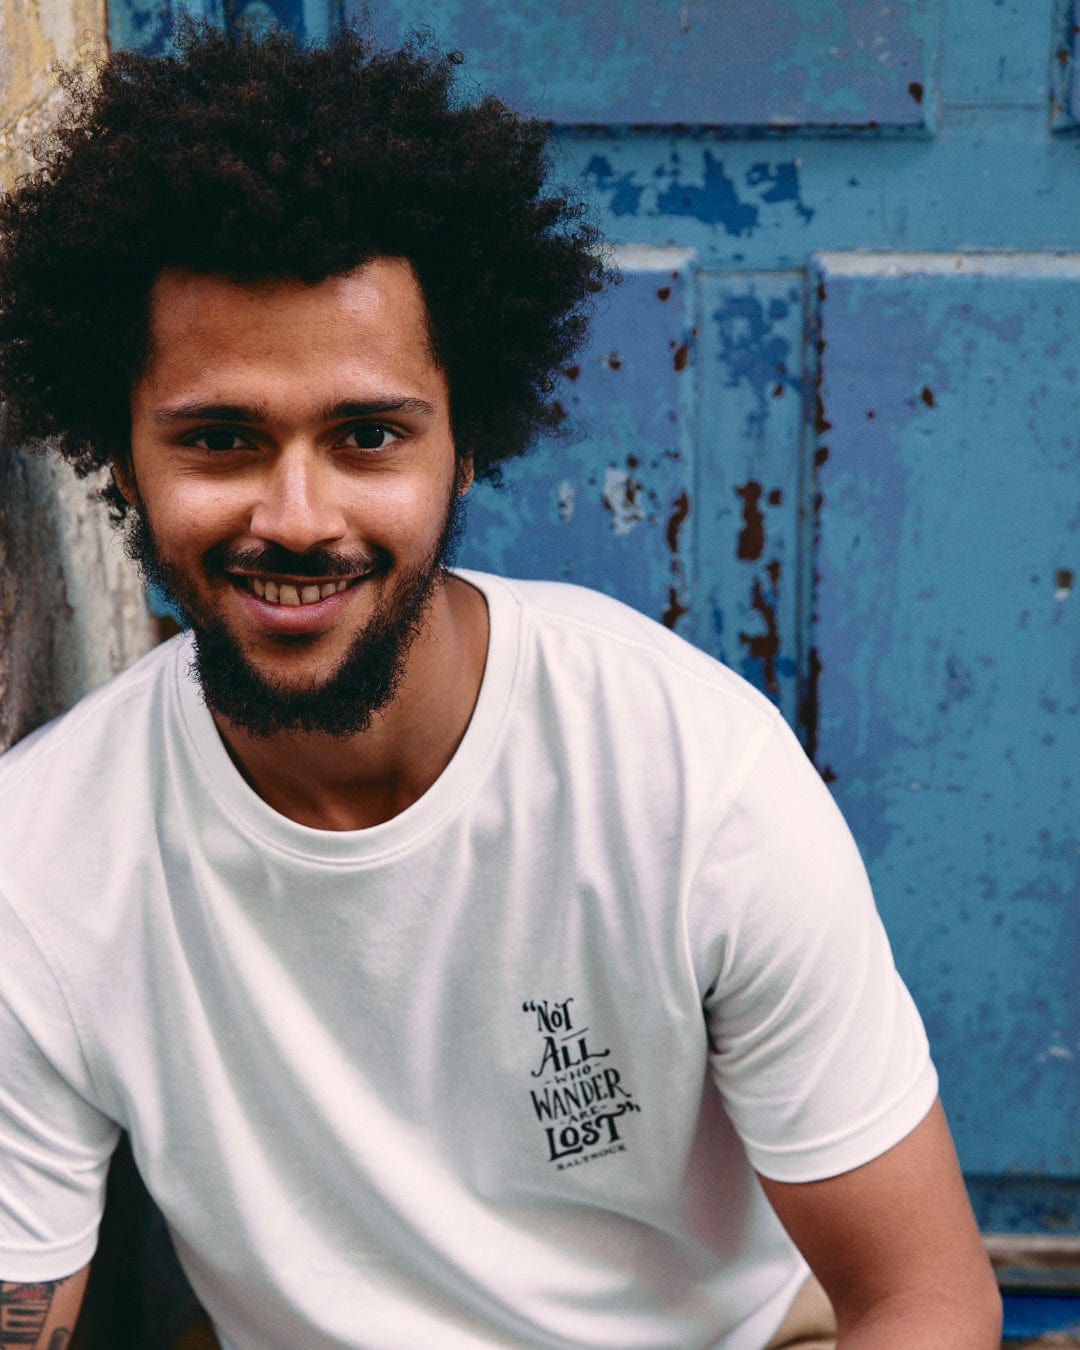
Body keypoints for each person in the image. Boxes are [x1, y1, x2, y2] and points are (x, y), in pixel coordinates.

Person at [0, 23, 1001, 1350]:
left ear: (467, 444)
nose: (296, 516)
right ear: (119, 455)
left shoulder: (692, 779)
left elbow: (922, 1295)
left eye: (367, 436)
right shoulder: (43, 862)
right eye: (221, 439)